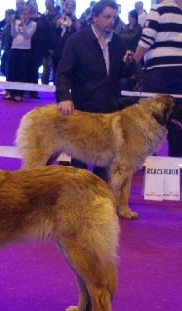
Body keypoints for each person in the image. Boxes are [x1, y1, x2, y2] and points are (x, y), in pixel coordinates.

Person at [55, 0, 135, 181]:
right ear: (95, 17)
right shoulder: (77, 40)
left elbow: (124, 73)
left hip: (110, 111)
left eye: (114, 17)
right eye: (107, 17)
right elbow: (62, 73)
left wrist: (130, 64)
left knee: (105, 163)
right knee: (79, 163)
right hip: (83, 110)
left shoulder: (119, 42)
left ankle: (101, 200)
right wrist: (64, 97)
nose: (112, 21)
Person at [133, 0, 182, 157]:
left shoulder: (157, 11)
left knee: (151, 113)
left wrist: (134, 62)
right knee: (174, 114)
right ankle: (175, 157)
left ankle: (149, 157)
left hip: (159, 69)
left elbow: (146, 40)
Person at [4, 4, 36, 102]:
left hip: (25, 50)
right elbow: (13, 34)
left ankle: (20, 93)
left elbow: (27, 35)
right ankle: (11, 91)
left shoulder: (33, 24)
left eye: (26, 14)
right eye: (22, 14)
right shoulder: (16, 22)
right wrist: (13, 23)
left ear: (30, 15)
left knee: (22, 72)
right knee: (12, 70)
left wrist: (22, 25)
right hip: (15, 48)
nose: (24, 16)